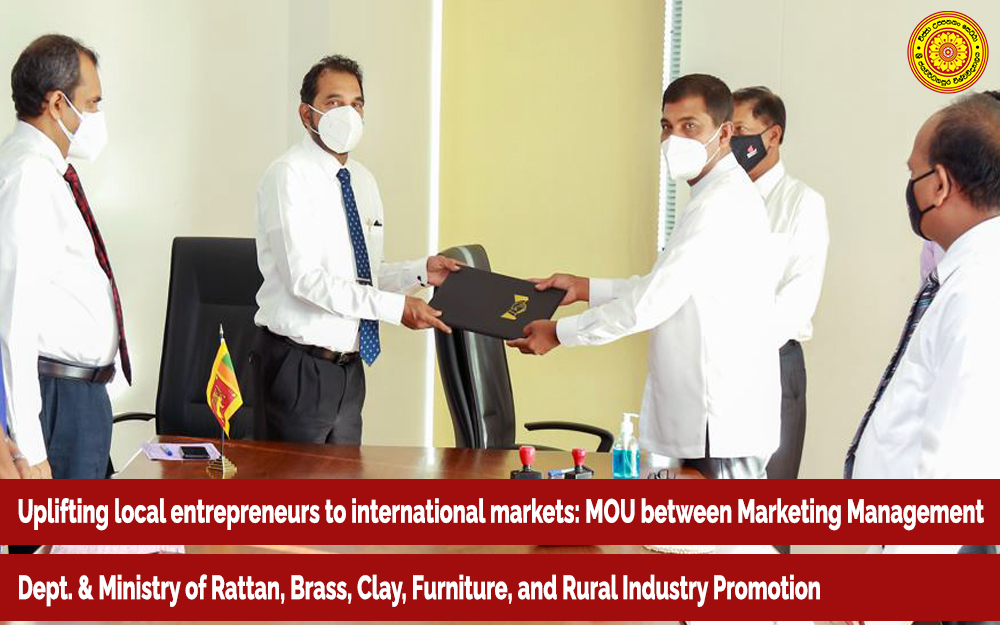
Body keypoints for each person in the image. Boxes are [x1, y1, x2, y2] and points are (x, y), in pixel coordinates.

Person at [509, 74, 780, 479]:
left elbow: (651, 303)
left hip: (719, 424)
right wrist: (584, 288)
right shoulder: (711, 196)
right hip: (708, 420)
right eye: (667, 127)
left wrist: (559, 333)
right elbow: (670, 288)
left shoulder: (719, 205)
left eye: (690, 126)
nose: (674, 139)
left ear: (724, 134)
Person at [254, 55, 460, 445]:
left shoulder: (362, 180)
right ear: (307, 114)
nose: (348, 114)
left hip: (348, 370)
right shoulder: (288, 176)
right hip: (298, 367)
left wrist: (420, 272)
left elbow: (364, 275)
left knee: (347, 482)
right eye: (334, 103)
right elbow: (306, 281)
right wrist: (395, 309)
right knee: (294, 485)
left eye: (356, 104)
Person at [845, 91, 1000, 482]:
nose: (911, 188)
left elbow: (954, 471)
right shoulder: (963, 275)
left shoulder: (978, 292)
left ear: (940, 185)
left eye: (915, 174)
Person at [0, 34, 126, 481]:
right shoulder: (29, 176)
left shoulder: (42, 170)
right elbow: (14, 318)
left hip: (76, 397)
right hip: (57, 403)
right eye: (91, 103)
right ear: (57, 103)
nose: (96, 115)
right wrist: (32, 450)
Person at [731, 86, 829, 480]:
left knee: (769, 500)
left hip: (770, 363)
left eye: (740, 131)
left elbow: (797, 301)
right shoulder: (717, 201)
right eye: (726, 131)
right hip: (711, 363)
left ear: (772, 135)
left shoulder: (802, 203)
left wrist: (736, 347)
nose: (732, 142)